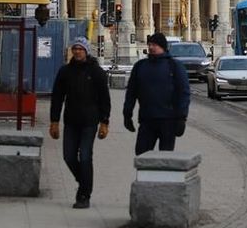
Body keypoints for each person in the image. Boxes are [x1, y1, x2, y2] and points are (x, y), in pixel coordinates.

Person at [49, 37, 111, 209]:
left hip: (90, 122)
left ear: (86, 51)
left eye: (80, 49)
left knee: (84, 157)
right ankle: (84, 180)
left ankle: (84, 194)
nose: (77, 51)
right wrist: (54, 121)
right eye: (74, 48)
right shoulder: (65, 72)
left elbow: (105, 99)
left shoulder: (96, 72)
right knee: (68, 156)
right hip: (71, 121)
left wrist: (105, 122)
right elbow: (57, 98)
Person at [123, 33, 191, 155]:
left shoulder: (174, 66)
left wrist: (182, 117)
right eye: (149, 44)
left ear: (162, 46)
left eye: (154, 45)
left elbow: (184, 93)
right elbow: (131, 92)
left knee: (165, 159)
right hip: (147, 119)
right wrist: (127, 114)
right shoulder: (140, 66)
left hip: (168, 120)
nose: (151, 47)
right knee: (141, 156)